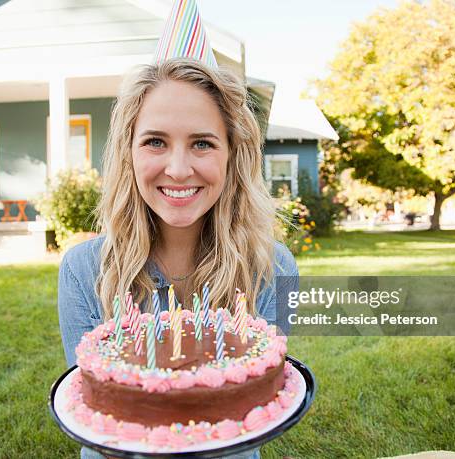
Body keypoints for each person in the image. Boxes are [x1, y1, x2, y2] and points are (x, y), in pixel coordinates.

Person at [58, 58, 299, 459]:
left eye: (202, 143)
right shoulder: (84, 270)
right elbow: (96, 401)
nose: (179, 169)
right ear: (128, 152)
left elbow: (260, 395)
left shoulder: (273, 268)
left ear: (231, 154)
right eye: (156, 141)